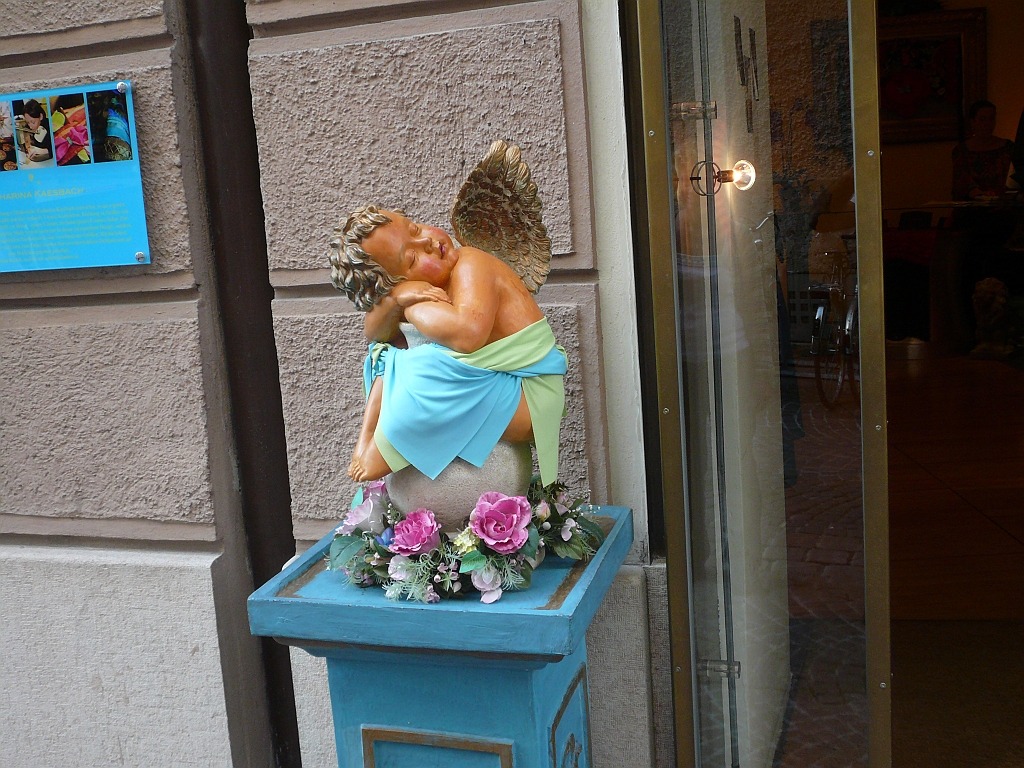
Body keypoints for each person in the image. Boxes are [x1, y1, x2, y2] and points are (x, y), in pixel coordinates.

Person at [329, 206, 567, 484]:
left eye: (415, 228)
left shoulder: (471, 263)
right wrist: (395, 299)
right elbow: (374, 333)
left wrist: (412, 307)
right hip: (496, 383)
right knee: (386, 356)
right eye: (412, 258)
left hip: (530, 394)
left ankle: (386, 448)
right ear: (399, 281)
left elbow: (468, 335)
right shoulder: (419, 288)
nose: (426, 241)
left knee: (424, 365)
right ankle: (366, 440)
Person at [952, 100, 1014, 201]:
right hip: (973, 205)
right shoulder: (961, 151)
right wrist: (980, 194)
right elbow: (961, 181)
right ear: (972, 122)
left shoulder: (1008, 148)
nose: (987, 124)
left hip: (1004, 204)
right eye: (982, 119)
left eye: (991, 119)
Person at [18, 100, 53, 164]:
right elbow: (28, 143)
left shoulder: (50, 126)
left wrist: (43, 151)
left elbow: (56, 148)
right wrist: (28, 147)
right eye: (28, 123)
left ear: (41, 116)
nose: (31, 126)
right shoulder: (28, 128)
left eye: (33, 122)